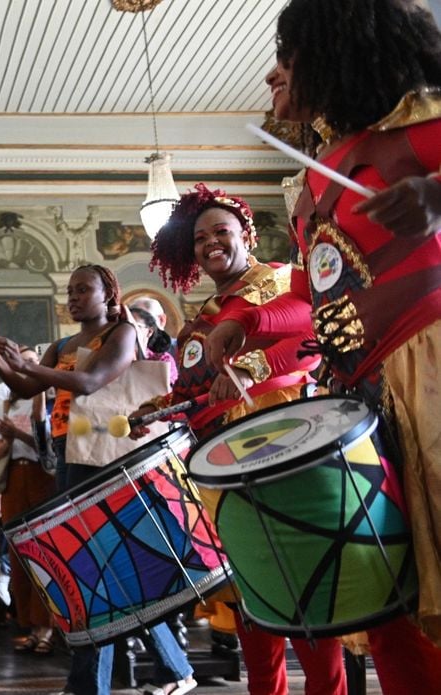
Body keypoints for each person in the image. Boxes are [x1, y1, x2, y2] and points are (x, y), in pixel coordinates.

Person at [204, 1, 441, 690]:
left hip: (427, 371)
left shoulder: (422, 123)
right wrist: (242, 326)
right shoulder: (314, 176)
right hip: (360, 400)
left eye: (291, 51)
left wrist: (433, 193)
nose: (277, 70)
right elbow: (319, 290)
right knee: (392, 597)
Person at [131, 183, 341, 695]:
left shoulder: (283, 277)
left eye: (220, 232)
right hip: (220, 460)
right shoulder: (203, 317)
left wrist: (253, 364)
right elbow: (192, 387)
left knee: (305, 579)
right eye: (200, 238)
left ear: (245, 233)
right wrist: (157, 408)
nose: (210, 244)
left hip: (286, 440)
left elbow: (316, 331)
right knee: (251, 586)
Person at [0, 264, 195, 695]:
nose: (75, 296)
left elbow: (88, 381)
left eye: (84, 289)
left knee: (98, 567)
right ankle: (173, 670)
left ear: (108, 294)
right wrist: (3, 362)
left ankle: (95, 682)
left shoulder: (121, 334)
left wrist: (27, 367)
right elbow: (25, 389)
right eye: (71, 290)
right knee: (98, 568)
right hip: (70, 453)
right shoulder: (62, 343)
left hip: (107, 458)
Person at [0, 347, 56, 655]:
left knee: (45, 551)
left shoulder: (50, 400)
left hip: (43, 479)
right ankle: (28, 624)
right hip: (14, 478)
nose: (27, 367)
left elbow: (50, 449)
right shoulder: (8, 401)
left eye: (32, 363)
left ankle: (48, 627)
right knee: (18, 554)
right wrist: (11, 435)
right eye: (23, 362)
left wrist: (20, 433)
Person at [127, 305, 178, 385]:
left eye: (135, 326)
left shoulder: (162, 359)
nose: (128, 331)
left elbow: (166, 389)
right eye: (124, 327)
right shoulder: (114, 355)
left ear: (150, 331)